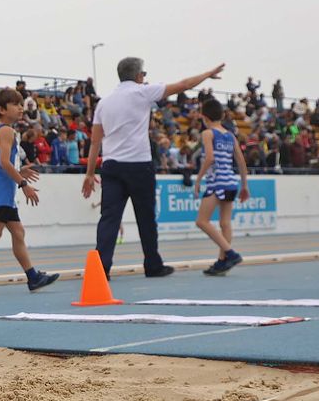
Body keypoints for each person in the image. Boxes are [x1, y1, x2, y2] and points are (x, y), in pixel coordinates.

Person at [82, 56, 225, 278]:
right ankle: (152, 264)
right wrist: (207, 74)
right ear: (139, 76)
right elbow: (184, 85)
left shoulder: (104, 102)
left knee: (109, 218)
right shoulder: (142, 92)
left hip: (111, 166)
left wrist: (90, 173)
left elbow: (95, 141)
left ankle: (101, 269)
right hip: (138, 165)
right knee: (146, 218)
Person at [0, 88, 60, 295]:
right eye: (16, 105)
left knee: (17, 232)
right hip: (0, 191)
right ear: (1, 109)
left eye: (21, 104)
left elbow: (2, 164)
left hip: (1, 190)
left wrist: (20, 171)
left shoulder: (0, 130)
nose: (20, 108)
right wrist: (23, 184)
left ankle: (32, 277)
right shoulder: (5, 130)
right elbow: (4, 163)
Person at [193, 98, 250, 275]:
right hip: (231, 182)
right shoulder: (229, 135)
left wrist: (198, 179)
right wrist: (244, 185)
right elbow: (240, 160)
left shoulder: (208, 134)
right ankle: (222, 262)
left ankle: (230, 253)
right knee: (225, 223)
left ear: (204, 117)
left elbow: (209, 158)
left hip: (217, 182)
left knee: (202, 221)